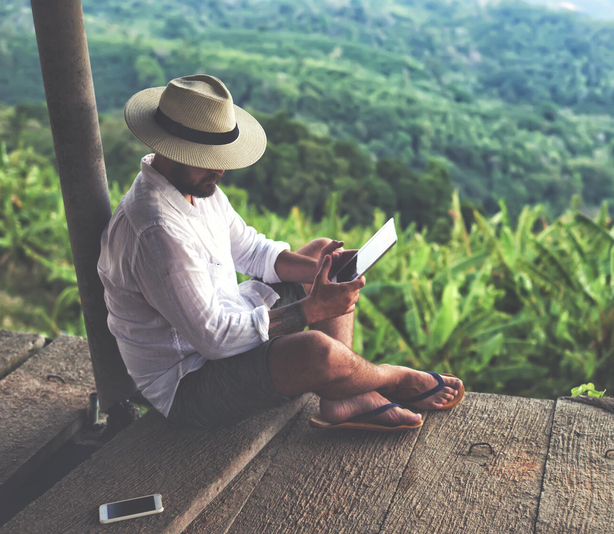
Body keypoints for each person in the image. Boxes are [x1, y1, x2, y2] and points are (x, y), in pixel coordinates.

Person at [98, 74, 464, 432]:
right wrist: (311, 309)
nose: (221, 169)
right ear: (171, 150)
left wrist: (320, 270)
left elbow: (253, 251)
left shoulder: (196, 187)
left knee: (323, 255)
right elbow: (214, 340)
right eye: (207, 158)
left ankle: (342, 398)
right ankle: (386, 378)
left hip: (228, 324)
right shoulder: (156, 232)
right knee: (317, 352)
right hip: (190, 382)